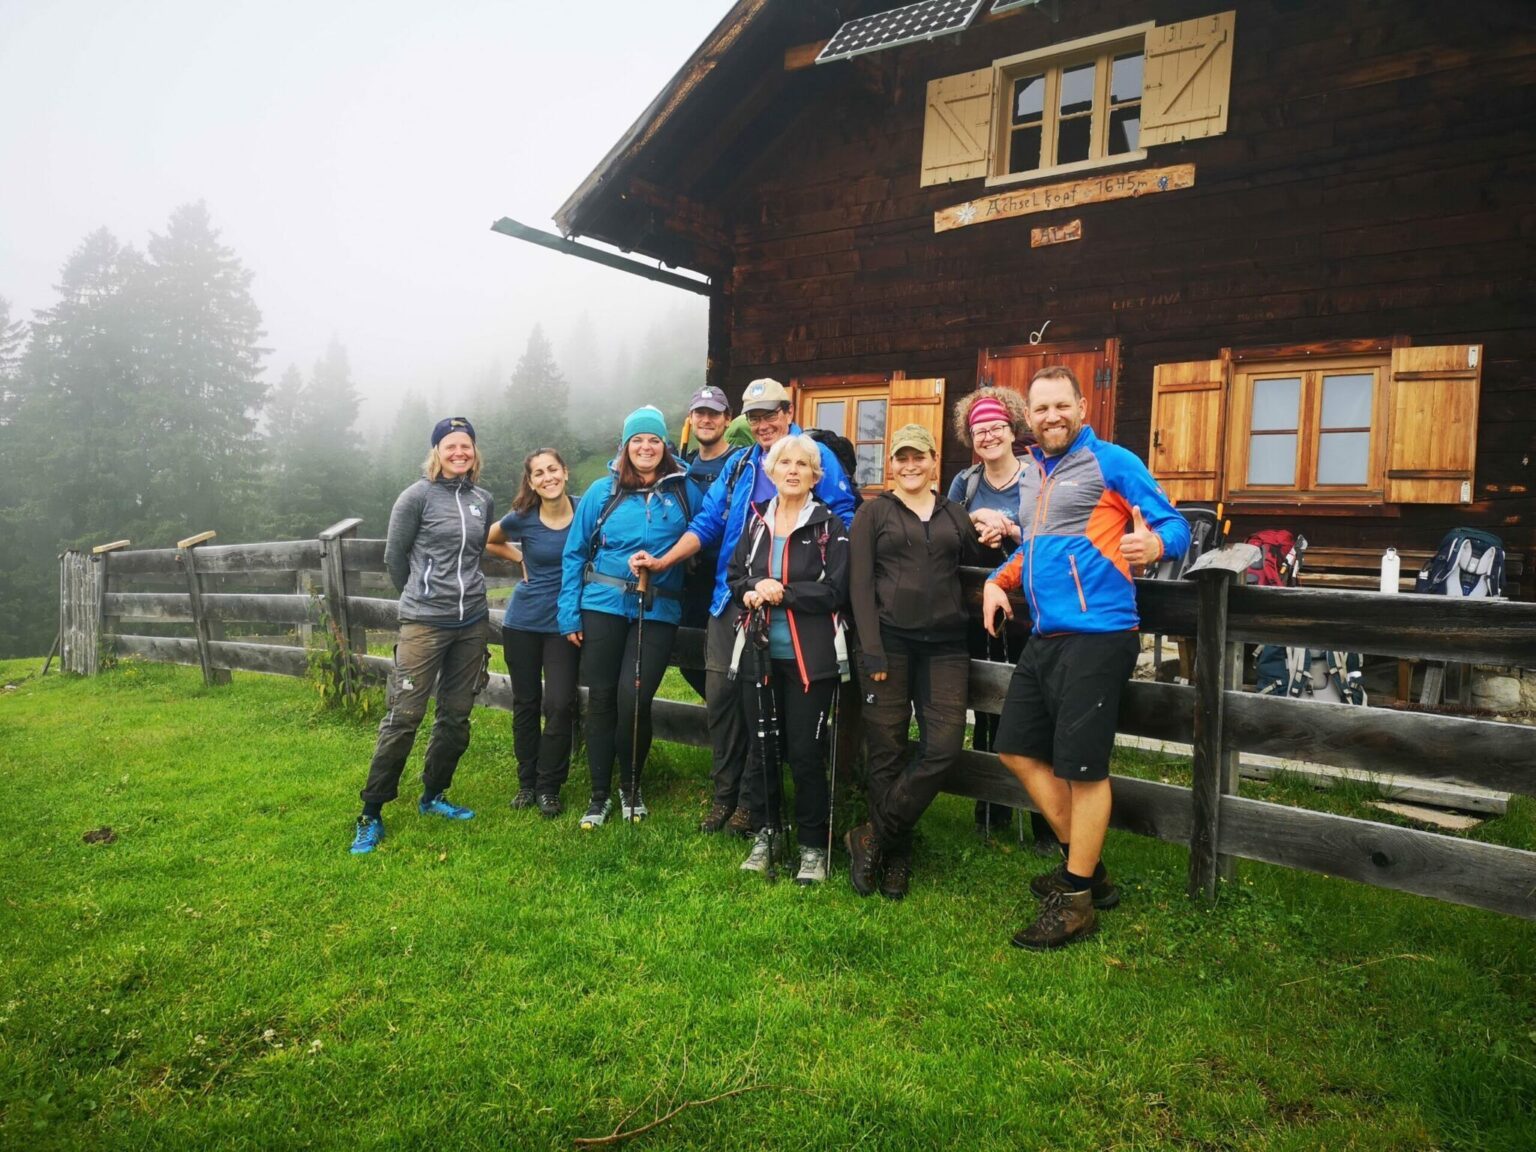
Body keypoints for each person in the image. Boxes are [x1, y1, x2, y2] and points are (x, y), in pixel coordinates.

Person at [981, 367, 1189, 948]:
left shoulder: (1113, 462)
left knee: (1082, 768)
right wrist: (1000, 579)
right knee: (1016, 749)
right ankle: (1088, 871)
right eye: (1040, 408)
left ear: (1081, 406)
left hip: (1100, 634)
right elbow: (1037, 547)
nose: (1050, 417)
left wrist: (1154, 543)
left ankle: (1075, 900)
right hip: (1046, 635)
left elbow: (1173, 524)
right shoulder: (1033, 473)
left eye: (1060, 405)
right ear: (1030, 415)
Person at [631, 378, 857, 837]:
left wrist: (820, 587)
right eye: (754, 417)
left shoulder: (816, 458)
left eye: (770, 413)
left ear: (788, 413)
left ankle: (757, 805)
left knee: (770, 705)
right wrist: (663, 560)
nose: (763, 423)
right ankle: (726, 795)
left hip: (795, 609)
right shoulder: (739, 465)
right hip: (732, 597)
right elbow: (708, 522)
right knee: (723, 701)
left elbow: (843, 518)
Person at [844, 424, 985, 899]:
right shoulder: (873, 512)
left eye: (918, 457)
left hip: (946, 645)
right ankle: (896, 855)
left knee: (943, 746)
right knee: (886, 748)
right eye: (901, 457)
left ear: (932, 461)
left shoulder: (954, 513)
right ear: (891, 464)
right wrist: (872, 648)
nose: (910, 465)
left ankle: (872, 836)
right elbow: (859, 585)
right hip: (888, 644)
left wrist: (1003, 534)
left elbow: (983, 558)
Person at [350, 417, 495, 855]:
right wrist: (420, 598)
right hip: (424, 623)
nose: (459, 453)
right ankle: (371, 812)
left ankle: (434, 795)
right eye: (450, 446)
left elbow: (476, 553)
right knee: (404, 716)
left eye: (465, 446)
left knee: (456, 715)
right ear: (436, 451)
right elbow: (396, 558)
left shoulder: (482, 499)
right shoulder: (415, 497)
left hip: (471, 623)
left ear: (474, 451)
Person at [559, 406, 693, 829]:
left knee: (634, 699)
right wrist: (568, 613)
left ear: (664, 446)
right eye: (637, 439)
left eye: (654, 439)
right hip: (601, 604)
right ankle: (599, 794)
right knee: (600, 698)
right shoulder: (602, 491)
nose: (646, 447)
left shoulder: (684, 491)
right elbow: (575, 553)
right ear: (625, 446)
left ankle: (631, 786)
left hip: (658, 607)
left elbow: (704, 535)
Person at [727, 433, 849, 884]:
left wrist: (784, 593)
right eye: (785, 463)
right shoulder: (756, 521)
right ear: (771, 472)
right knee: (762, 750)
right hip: (758, 654)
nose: (793, 470)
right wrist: (752, 588)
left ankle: (813, 848)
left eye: (803, 464)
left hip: (809, 660)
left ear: (816, 476)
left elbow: (837, 589)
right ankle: (766, 833)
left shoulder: (829, 526)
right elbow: (735, 575)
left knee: (804, 752)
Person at [947, 386, 1059, 853]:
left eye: (996, 427)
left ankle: (1045, 824)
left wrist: (1010, 529)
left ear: (1013, 429)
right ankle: (990, 811)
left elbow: (1055, 532)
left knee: (1036, 715)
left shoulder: (1040, 478)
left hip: (1032, 616)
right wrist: (976, 527)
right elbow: (948, 533)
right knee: (986, 711)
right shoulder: (965, 485)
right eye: (979, 430)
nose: (989, 435)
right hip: (979, 615)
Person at [485, 448, 578, 818]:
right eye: (538, 473)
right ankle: (527, 783)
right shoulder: (523, 517)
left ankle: (549, 785)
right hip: (522, 622)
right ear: (531, 481)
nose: (547, 478)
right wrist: (520, 557)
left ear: (565, 472)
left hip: (564, 624)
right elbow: (489, 539)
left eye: (552, 469)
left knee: (558, 703)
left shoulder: (585, 509)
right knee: (525, 703)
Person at [677, 386, 734, 697]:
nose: (707, 419)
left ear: (728, 419)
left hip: (726, 576)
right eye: (701, 413)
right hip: (691, 578)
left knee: (726, 658)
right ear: (691, 418)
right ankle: (721, 721)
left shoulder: (739, 462)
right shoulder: (682, 466)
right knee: (689, 657)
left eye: (714, 414)